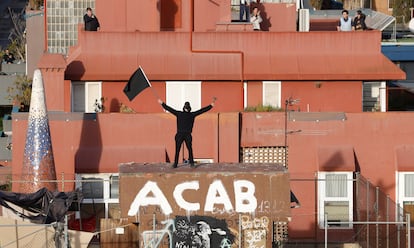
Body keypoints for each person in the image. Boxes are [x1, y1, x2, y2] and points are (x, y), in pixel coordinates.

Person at [158, 98, 216, 168]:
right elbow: (202, 111)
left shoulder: (179, 114)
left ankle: (175, 164)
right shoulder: (192, 115)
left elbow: (169, 109)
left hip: (179, 134)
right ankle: (191, 163)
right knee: (190, 149)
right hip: (188, 134)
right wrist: (211, 106)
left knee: (177, 150)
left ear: (184, 108)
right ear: (189, 108)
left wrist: (162, 103)